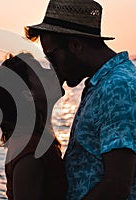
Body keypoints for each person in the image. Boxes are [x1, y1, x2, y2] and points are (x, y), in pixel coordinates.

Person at [25, 0, 136, 199]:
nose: (52, 67)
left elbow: (116, 186)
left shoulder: (117, 87)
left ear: (75, 45)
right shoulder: (102, 84)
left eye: (52, 56)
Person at [0, 53, 67, 200]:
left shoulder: (34, 143)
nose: (51, 70)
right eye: (40, 71)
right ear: (28, 94)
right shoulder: (31, 152)